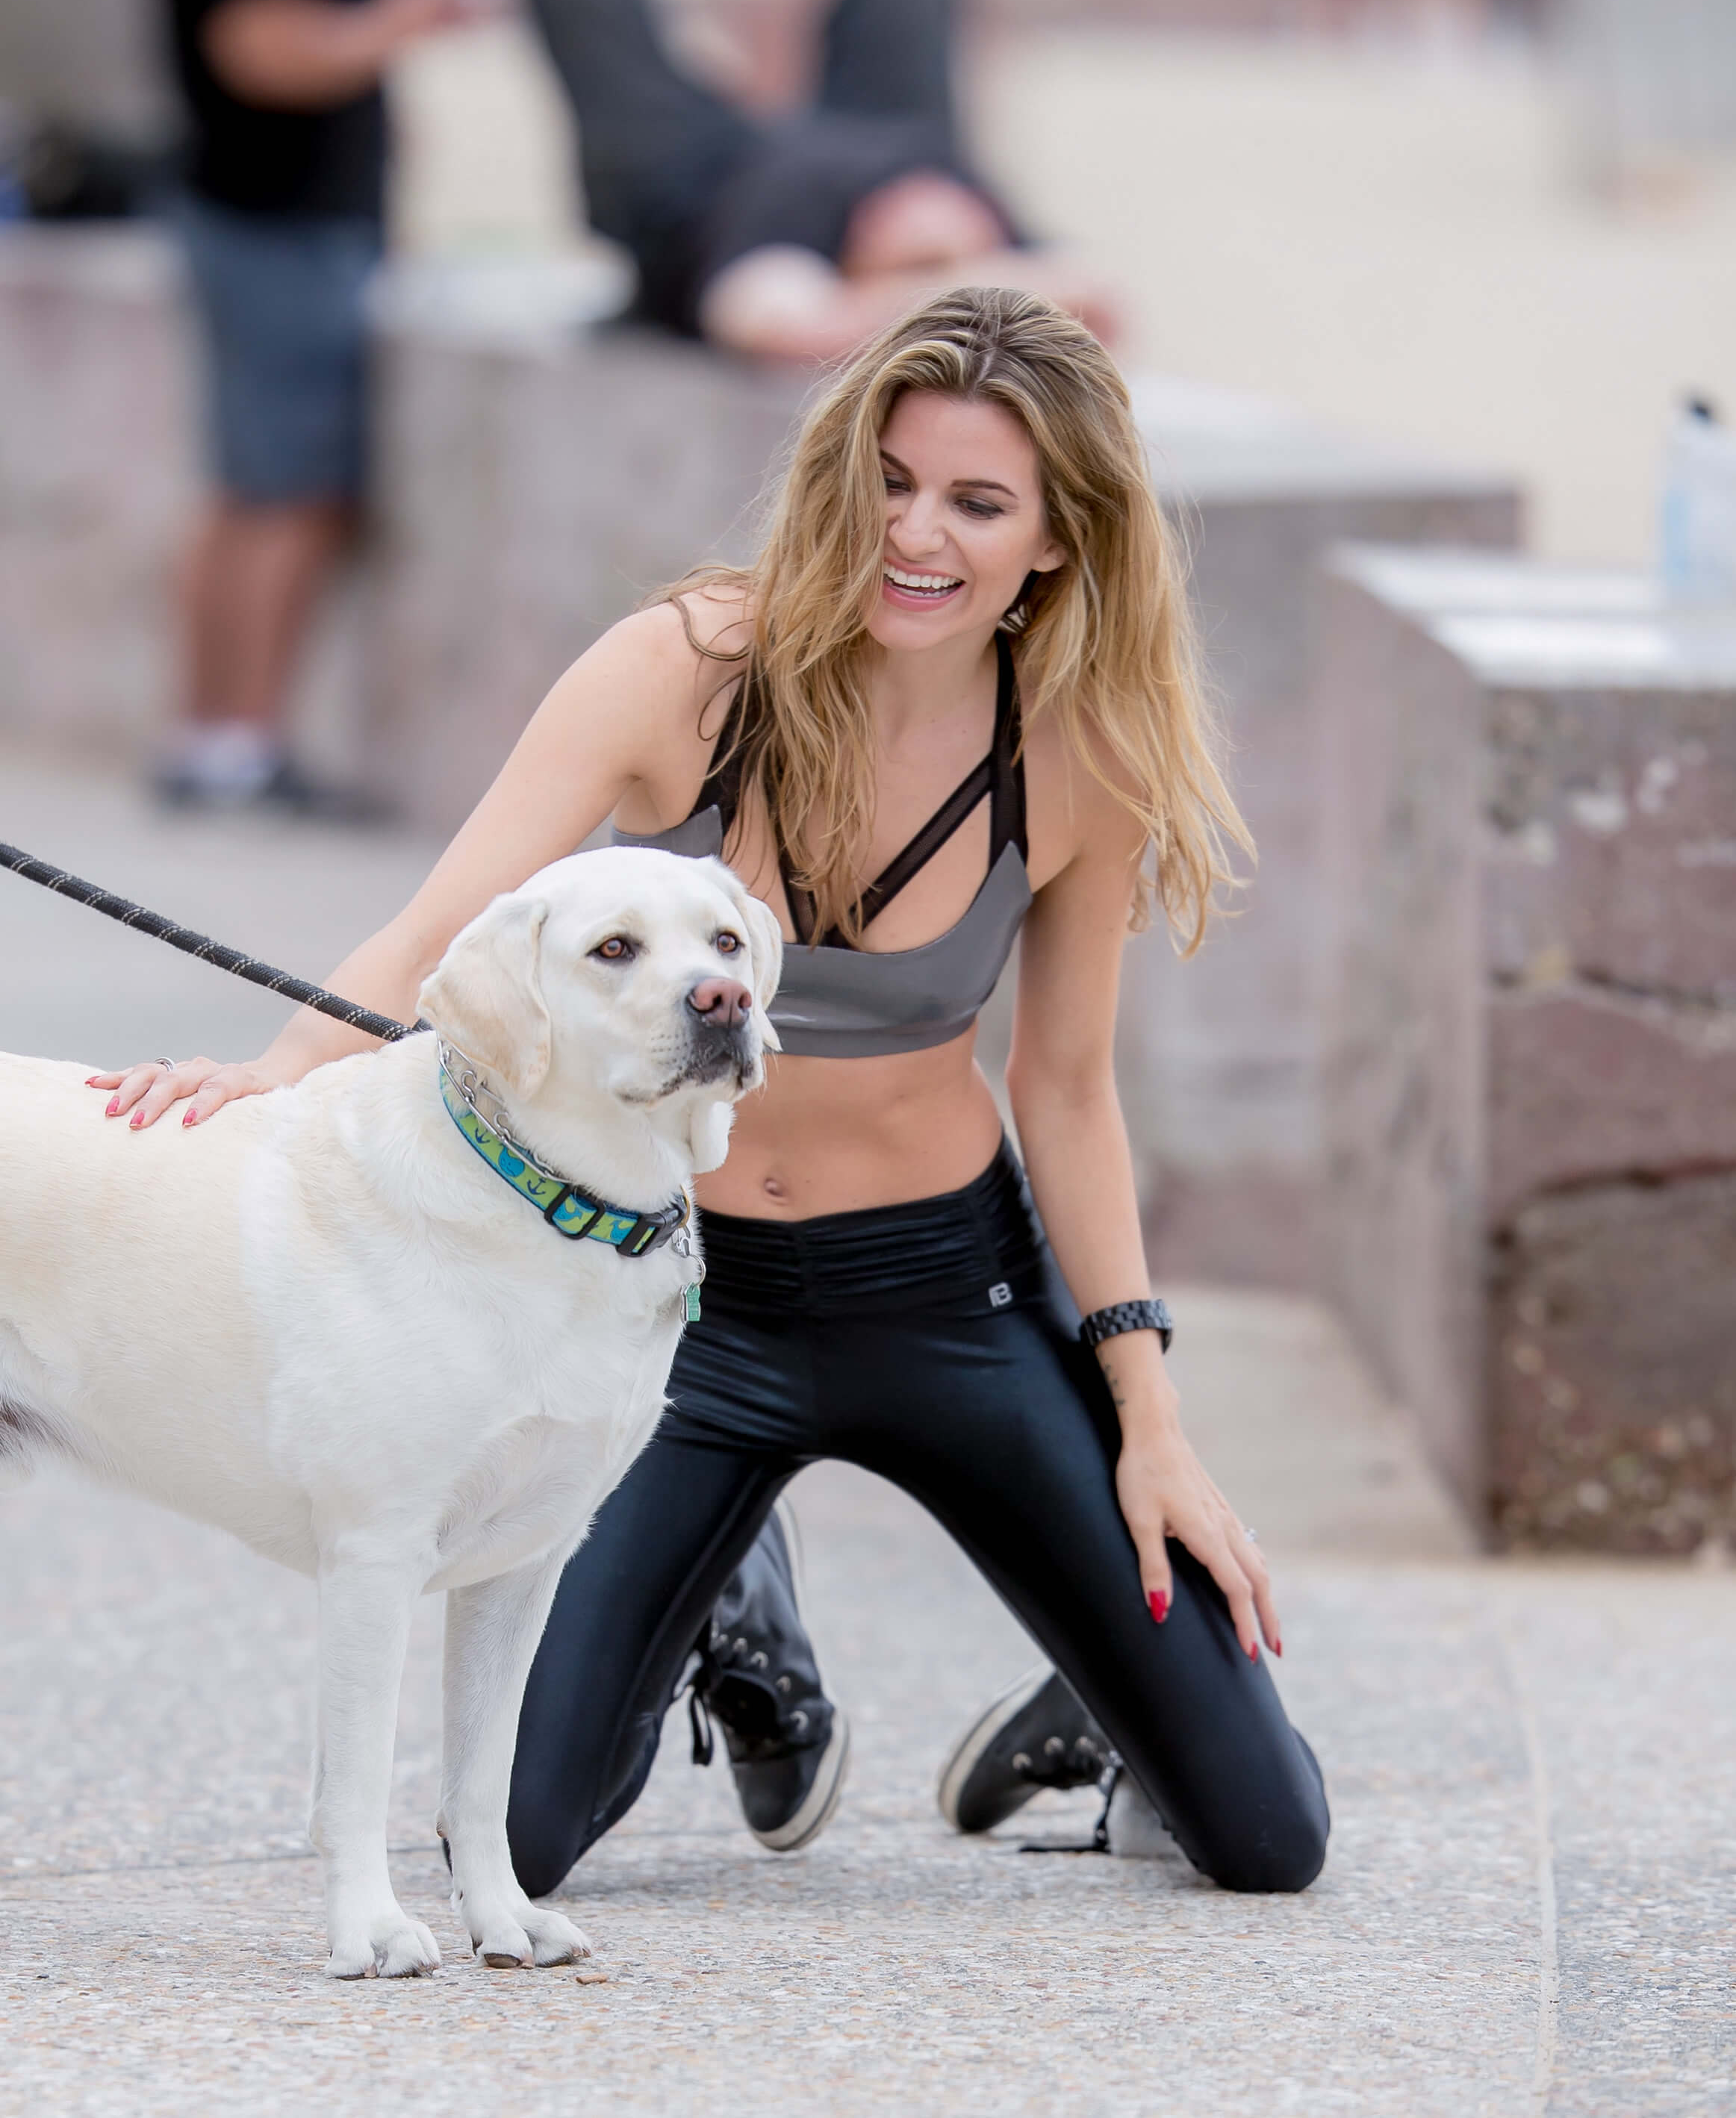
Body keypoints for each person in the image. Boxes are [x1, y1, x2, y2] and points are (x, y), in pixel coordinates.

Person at [93, 287, 1329, 1896]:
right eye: (891, 479)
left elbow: (1069, 1090)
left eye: (974, 501)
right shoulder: (687, 668)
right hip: (678, 1303)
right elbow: (442, 923)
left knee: (1264, 1836)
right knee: (521, 1840)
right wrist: (271, 1075)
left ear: (1058, 538)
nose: (916, 533)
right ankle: (733, 1595)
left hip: (944, 1288)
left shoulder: (1076, 751)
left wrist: (1148, 1417)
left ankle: (1096, 1677)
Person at [155, 0, 467, 815]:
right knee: (290, 490)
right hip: (279, 229)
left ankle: (211, 742)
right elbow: (263, 50)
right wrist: (403, 21)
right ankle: (240, 748)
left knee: (249, 486)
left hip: (252, 221)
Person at [527, 0, 1120, 364]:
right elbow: (1101, 302)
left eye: (927, 264)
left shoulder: (786, 254)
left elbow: (795, 330)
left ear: (863, 267)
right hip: (872, 116)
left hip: (701, 175)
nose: (935, 235)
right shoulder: (981, 209)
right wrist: (986, 269)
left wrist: (950, 283)